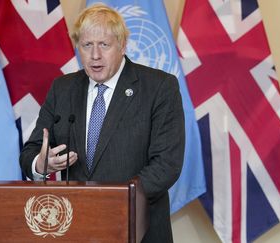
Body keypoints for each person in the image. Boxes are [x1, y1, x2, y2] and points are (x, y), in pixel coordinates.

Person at [20, 3, 185, 242]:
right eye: (87, 45)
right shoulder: (62, 89)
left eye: (104, 45)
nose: (95, 55)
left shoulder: (159, 87)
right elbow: (31, 152)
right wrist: (40, 164)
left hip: (139, 229)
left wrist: (113, 201)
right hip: (76, 228)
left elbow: (166, 164)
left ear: (122, 45)